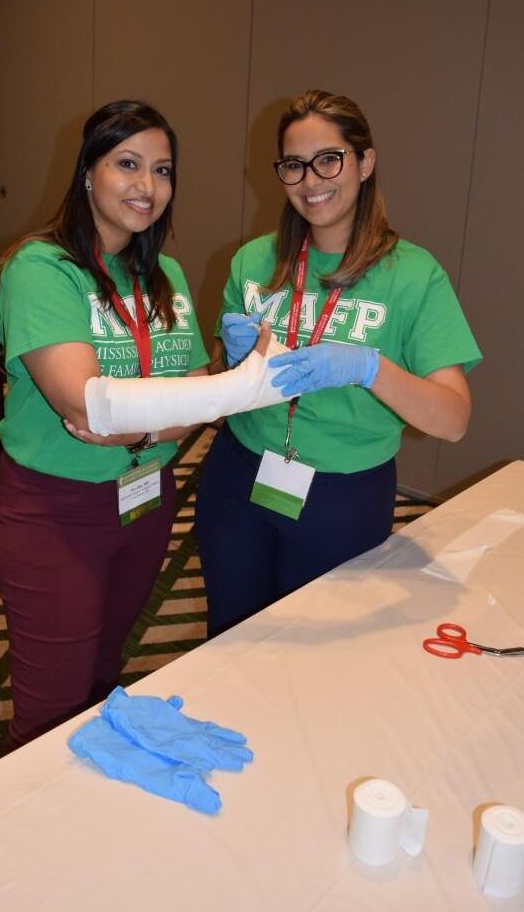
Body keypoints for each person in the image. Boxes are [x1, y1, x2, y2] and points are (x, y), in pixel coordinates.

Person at [195, 89, 482, 637]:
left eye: (329, 159)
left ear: (365, 162)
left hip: (343, 494)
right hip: (240, 474)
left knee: (316, 652)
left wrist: (369, 367)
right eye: (294, 165)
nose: (311, 181)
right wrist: (230, 361)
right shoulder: (253, 261)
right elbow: (218, 377)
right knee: (228, 642)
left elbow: (453, 419)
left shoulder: (413, 275)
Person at [0, 99, 210, 746]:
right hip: (58, 508)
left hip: (146, 497)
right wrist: (169, 412)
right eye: (127, 164)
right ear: (88, 172)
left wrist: (137, 428)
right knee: (48, 708)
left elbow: (200, 389)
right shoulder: (41, 268)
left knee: (102, 673)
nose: (148, 185)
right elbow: (86, 406)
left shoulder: (165, 273)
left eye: (162, 170)